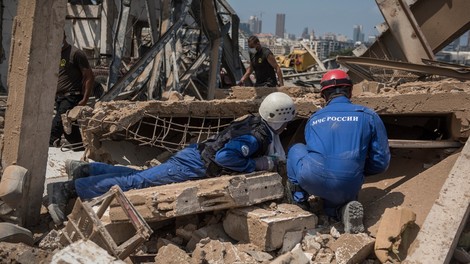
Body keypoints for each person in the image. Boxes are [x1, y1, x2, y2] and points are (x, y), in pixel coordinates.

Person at [47, 92, 296, 224]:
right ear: (280, 119)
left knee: (140, 177)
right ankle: (69, 189)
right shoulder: (256, 137)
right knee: (140, 183)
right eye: (286, 122)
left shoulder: (256, 123)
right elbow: (225, 156)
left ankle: (86, 171)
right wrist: (258, 164)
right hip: (197, 164)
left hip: (196, 156)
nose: (286, 128)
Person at [286, 69, 390, 233]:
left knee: (296, 149)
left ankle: (300, 202)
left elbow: (315, 151)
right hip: (349, 184)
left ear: (324, 95)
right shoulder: (368, 116)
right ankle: (340, 210)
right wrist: (359, 171)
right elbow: (381, 161)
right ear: (350, 91)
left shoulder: (314, 118)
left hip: (313, 179)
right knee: (340, 185)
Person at [49, 33, 95, 147]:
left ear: (64, 37)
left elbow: (89, 76)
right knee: (69, 130)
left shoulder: (75, 53)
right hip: (60, 97)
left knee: (57, 125)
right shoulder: (57, 54)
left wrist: (85, 99)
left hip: (72, 96)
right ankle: (79, 148)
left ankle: (50, 145)